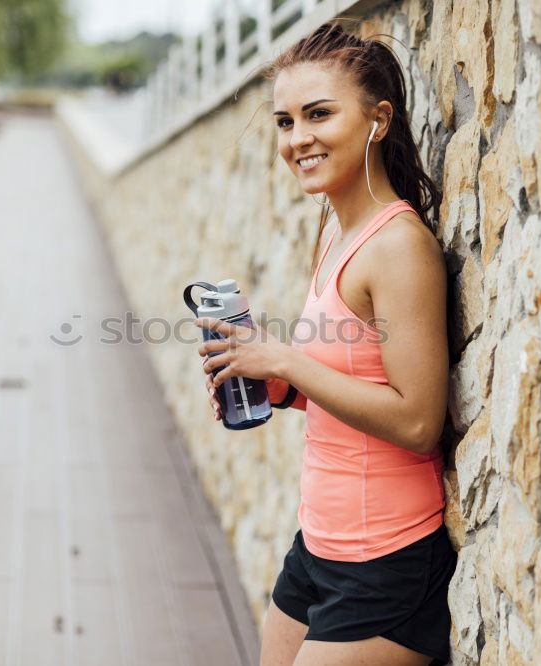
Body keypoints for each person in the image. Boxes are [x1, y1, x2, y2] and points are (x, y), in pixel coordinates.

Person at [195, 23, 456, 666]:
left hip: (385, 559)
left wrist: (285, 361)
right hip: (321, 544)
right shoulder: (338, 231)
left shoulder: (397, 246)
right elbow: (360, 381)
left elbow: (419, 420)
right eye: (285, 121)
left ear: (377, 120)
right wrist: (281, 387)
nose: (297, 138)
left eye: (318, 114)